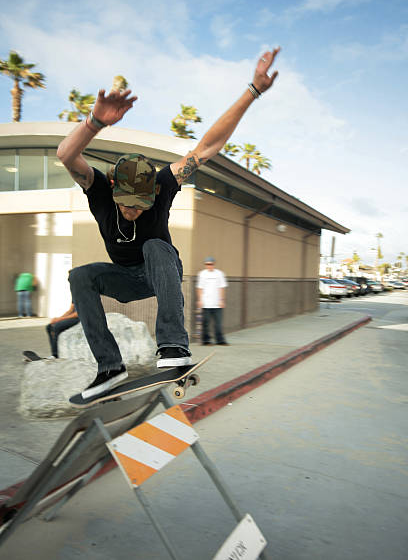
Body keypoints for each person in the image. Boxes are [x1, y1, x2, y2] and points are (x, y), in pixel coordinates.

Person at [57, 47, 280, 400]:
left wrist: (252, 91)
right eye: (127, 205)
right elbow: (66, 155)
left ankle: (174, 347)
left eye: (141, 206)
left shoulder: (162, 185)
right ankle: (109, 367)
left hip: (162, 269)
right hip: (126, 278)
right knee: (80, 276)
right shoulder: (99, 189)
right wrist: (94, 123)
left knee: (154, 245)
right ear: (113, 188)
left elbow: (208, 146)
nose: (133, 212)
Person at [197, 257, 228, 345]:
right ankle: (206, 341)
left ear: (214, 264)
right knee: (205, 323)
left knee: (218, 323)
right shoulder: (202, 274)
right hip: (206, 303)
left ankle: (220, 340)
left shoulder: (219, 274)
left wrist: (222, 300)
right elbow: (200, 288)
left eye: (210, 264)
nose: (209, 266)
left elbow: (222, 287)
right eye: (207, 264)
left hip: (217, 303)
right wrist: (200, 300)